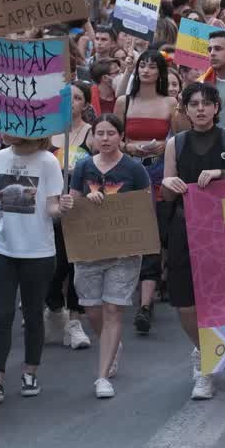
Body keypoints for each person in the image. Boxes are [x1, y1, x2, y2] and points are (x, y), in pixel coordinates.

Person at [162, 83, 225, 401]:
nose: (200, 109)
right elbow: (168, 191)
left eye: (206, 103)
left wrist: (223, 176)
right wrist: (168, 184)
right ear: (184, 109)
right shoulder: (176, 144)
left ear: (216, 107)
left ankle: (208, 365)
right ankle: (204, 354)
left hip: (224, 232)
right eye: (194, 104)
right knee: (185, 304)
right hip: (184, 229)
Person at [0, 135, 72, 403]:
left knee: (33, 312)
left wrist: (64, 207)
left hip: (38, 251)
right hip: (4, 249)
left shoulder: (47, 161)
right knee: (1, 314)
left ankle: (30, 372)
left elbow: (51, 208)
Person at [69, 115, 152, 399]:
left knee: (114, 309)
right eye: (99, 133)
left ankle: (102, 377)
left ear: (121, 136)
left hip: (123, 252)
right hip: (89, 251)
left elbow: (145, 206)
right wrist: (83, 201)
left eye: (110, 133)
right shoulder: (82, 167)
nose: (104, 138)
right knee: (92, 310)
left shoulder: (134, 169)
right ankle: (112, 344)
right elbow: (71, 204)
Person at [115, 50, 174, 333]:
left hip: (159, 175)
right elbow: (111, 137)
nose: (146, 70)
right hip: (128, 174)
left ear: (161, 72)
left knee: (153, 237)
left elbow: (183, 135)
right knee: (128, 237)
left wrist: (167, 145)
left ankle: (146, 304)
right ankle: (120, 292)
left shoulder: (171, 102)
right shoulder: (124, 102)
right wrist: (130, 147)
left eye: (152, 66)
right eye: (143, 65)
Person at [45, 82, 94, 350]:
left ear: (85, 104)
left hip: (81, 207)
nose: (72, 101)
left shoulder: (92, 134)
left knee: (77, 265)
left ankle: (75, 322)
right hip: (50, 207)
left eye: (77, 98)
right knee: (54, 265)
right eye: (67, 97)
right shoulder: (48, 132)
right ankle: (53, 307)